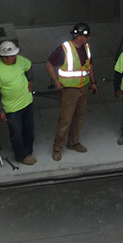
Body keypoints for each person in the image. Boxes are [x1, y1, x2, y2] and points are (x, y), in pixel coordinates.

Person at [45, 22, 98, 161]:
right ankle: (57, 148)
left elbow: (89, 65)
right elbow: (49, 64)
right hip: (69, 91)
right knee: (65, 120)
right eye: (87, 36)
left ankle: (73, 143)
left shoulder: (87, 48)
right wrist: (56, 81)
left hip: (83, 88)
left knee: (78, 117)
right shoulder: (65, 49)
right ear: (81, 36)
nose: (88, 39)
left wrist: (93, 82)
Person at [0, 41, 37, 166]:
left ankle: (28, 152)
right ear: (4, 57)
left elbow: (29, 67)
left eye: (15, 55)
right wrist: (0, 111)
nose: (14, 58)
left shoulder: (21, 61)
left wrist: (31, 80)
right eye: (11, 56)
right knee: (16, 133)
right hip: (12, 109)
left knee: (29, 130)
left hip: (27, 103)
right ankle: (21, 156)